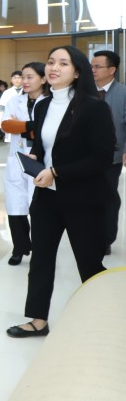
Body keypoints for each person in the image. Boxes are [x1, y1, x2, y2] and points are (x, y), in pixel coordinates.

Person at [7, 46, 114, 338]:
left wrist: (56, 171)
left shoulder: (94, 107)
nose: (54, 67)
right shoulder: (42, 106)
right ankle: (38, 320)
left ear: (77, 72)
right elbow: (44, 146)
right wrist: (35, 158)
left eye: (63, 63)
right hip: (47, 198)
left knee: (89, 262)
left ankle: (105, 320)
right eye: (51, 61)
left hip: (83, 199)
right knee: (41, 259)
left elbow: (102, 158)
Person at [0, 62, 48, 265]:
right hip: (17, 157)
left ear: (43, 79)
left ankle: (41, 248)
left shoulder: (50, 101)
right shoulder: (14, 100)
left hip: (41, 159)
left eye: (30, 77)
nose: (24, 81)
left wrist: (21, 126)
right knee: (15, 206)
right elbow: (6, 125)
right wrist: (31, 126)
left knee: (38, 207)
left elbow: (47, 131)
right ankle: (19, 247)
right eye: (23, 77)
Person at [91, 49, 126, 255]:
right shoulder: (84, 92)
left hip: (111, 157)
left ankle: (106, 238)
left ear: (112, 70)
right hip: (85, 156)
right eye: (91, 66)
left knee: (107, 196)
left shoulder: (123, 93)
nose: (93, 70)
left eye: (98, 67)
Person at [0, 71, 24, 142]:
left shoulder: (27, 91)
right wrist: (0, 122)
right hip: (10, 119)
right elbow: (1, 108)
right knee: (12, 140)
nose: (17, 80)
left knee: (24, 140)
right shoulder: (7, 92)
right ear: (11, 80)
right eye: (15, 78)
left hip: (23, 119)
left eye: (19, 78)